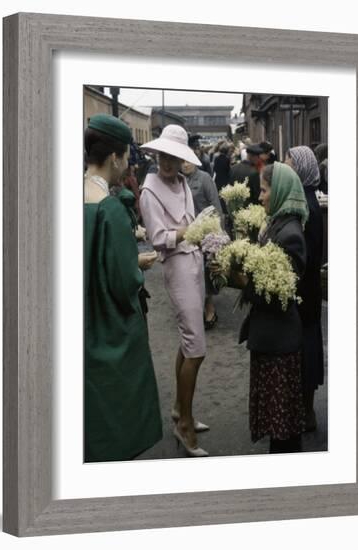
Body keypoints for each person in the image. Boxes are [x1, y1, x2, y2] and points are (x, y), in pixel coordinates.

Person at [84, 114, 162, 462]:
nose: (128, 163)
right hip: (107, 325)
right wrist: (137, 266)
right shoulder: (110, 211)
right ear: (114, 158)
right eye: (126, 156)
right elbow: (123, 282)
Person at [222, 162, 308, 453]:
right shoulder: (277, 223)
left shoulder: (290, 233)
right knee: (279, 424)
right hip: (272, 339)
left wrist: (238, 278)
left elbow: (278, 294)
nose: (259, 197)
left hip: (279, 341)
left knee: (283, 429)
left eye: (264, 189)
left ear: (280, 190)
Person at [140, 125, 209, 457]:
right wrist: (185, 232)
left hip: (195, 261)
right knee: (197, 348)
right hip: (177, 266)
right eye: (164, 155)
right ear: (156, 154)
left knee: (188, 339)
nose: (167, 162)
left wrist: (206, 236)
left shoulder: (183, 183)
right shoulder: (148, 191)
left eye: (175, 156)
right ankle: (184, 423)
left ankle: (181, 411)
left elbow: (194, 224)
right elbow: (157, 238)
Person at [285, 146, 325, 431]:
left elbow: (305, 257)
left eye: (289, 163)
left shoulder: (308, 207)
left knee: (307, 347)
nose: (285, 166)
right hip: (306, 289)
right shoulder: (304, 200)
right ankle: (303, 409)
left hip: (306, 291)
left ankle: (307, 412)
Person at [180, 158, 223, 329]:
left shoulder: (204, 178)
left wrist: (218, 234)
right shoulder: (179, 180)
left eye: (188, 161)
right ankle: (196, 309)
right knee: (191, 273)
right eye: (181, 162)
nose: (185, 164)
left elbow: (216, 206)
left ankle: (209, 308)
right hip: (185, 234)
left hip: (205, 232)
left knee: (205, 271)